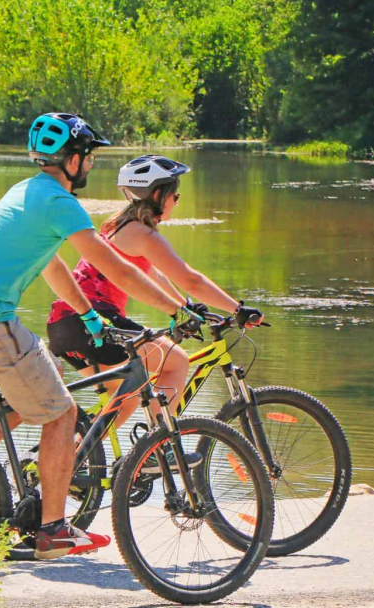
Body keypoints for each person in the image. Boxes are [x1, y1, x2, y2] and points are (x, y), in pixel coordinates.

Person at [0, 115, 201, 560]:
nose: (90, 164)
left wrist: (88, 314)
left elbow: (52, 266)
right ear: (72, 160)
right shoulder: (60, 202)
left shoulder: (25, 192)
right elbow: (117, 269)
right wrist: (177, 310)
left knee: (43, 380)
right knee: (62, 413)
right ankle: (53, 528)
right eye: (88, 157)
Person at [47, 154, 263, 432]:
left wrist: (185, 306)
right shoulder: (143, 235)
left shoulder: (117, 227)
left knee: (125, 399)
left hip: (64, 322)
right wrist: (238, 309)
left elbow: (152, 275)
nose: (177, 201)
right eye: (175, 195)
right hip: (95, 320)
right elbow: (191, 279)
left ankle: (78, 453)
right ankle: (159, 444)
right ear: (158, 194)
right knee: (176, 362)